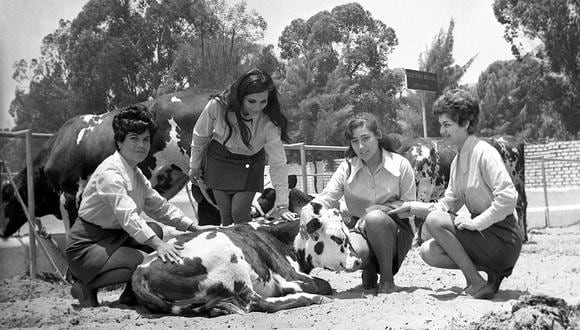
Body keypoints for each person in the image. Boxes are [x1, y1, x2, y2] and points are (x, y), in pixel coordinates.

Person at [389, 89, 523, 300]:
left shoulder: (485, 153)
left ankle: (476, 282)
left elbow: (508, 199)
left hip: (504, 238)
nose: (441, 130)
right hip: (487, 238)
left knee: (434, 222)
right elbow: (447, 206)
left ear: (466, 123)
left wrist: (476, 222)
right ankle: (491, 273)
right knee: (428, 251)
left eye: (447, 124)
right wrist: (413, 208)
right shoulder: (458, 161)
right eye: (441, 124)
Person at [65, 105, 199, 307]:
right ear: (119, 141)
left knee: (155, 230)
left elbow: (158, 206)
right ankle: (85, 286)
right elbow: (129, 217)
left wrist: (192, 227)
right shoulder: (110, 173)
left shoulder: (134, 172)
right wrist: (159, 245)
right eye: (134, 139)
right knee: (141, 261)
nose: (141, 145)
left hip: (114, 236)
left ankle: (129, 295)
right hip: (87, 244)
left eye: (146, 139)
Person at [300, 112, 416, 294]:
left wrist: (378, 209)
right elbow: (327, 196)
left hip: (397, 229)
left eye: (365, 138)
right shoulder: (347, 167)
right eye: (354, 141)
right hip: (359, 228)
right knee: (351, 254)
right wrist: (307, 211)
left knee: (375, 218)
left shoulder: (400, 164)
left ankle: (387, 279)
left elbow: (409, 206)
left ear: (378, 135)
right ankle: (369, 267)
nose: (360, 147)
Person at [189, 68, 295, 225]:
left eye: (263, 101)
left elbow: (278, 164)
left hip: (251, 162)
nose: (257, 107)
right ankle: (232, 249)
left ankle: (251, 247)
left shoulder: (269, 123)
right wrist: (194, 165)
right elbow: (200, 134)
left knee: (239, 213)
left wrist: (282, 206)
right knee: (226, 217)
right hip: (220, 159)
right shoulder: (217, 106)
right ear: (240, 97)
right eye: (251, 101)